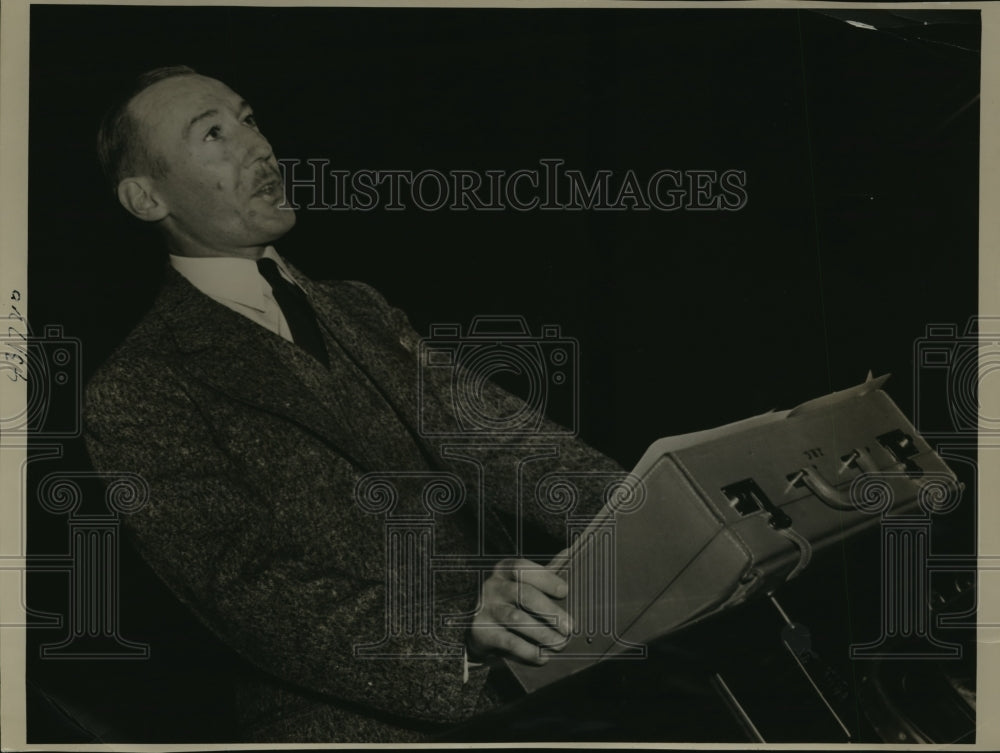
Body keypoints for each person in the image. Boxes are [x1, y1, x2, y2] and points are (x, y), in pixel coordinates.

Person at [83, 66, 626, 743]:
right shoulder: (139, 384)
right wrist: (457, 633)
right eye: (215, 133)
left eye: (250, 118)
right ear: (144, 197)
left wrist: (665, 506)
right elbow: (249, 590)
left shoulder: (358, 305)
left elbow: (502, 440)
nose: (259, 147)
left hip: (525, 700)